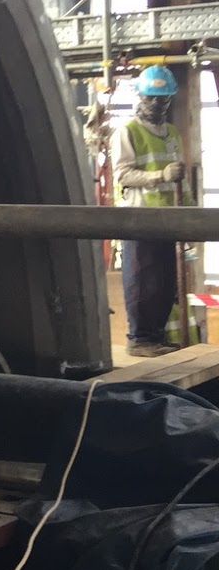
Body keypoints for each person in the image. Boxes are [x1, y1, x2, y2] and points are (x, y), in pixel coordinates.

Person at [112, 65, 186, 357]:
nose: (157, 103)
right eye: (151, 97)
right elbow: (123, 175)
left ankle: (155, 336)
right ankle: (140, 339)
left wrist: (188, 214)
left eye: (163, 98)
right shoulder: (127, 131)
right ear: (140, 97)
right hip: (140, 218)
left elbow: (181, 180)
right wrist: (160, 176)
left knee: (165, 282)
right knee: (143, 280)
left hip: (169, 219)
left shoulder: (172, 133)